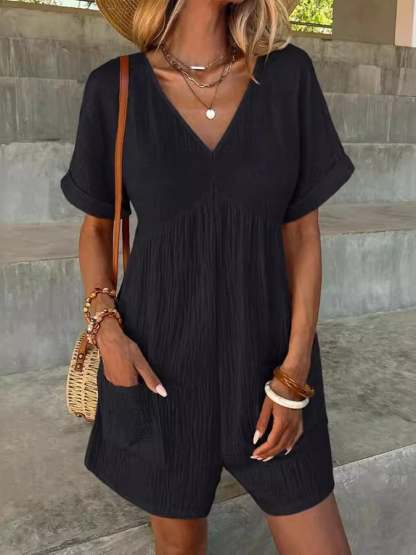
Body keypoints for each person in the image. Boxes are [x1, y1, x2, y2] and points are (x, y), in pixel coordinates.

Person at [60, 1, 355, 553]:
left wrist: (294, 375)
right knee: (180, 549)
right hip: (159, 371)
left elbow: (302, 236)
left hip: (271, 370)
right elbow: (98, 228)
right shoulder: (115, 89)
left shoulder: (288, 76)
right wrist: (108, 332)